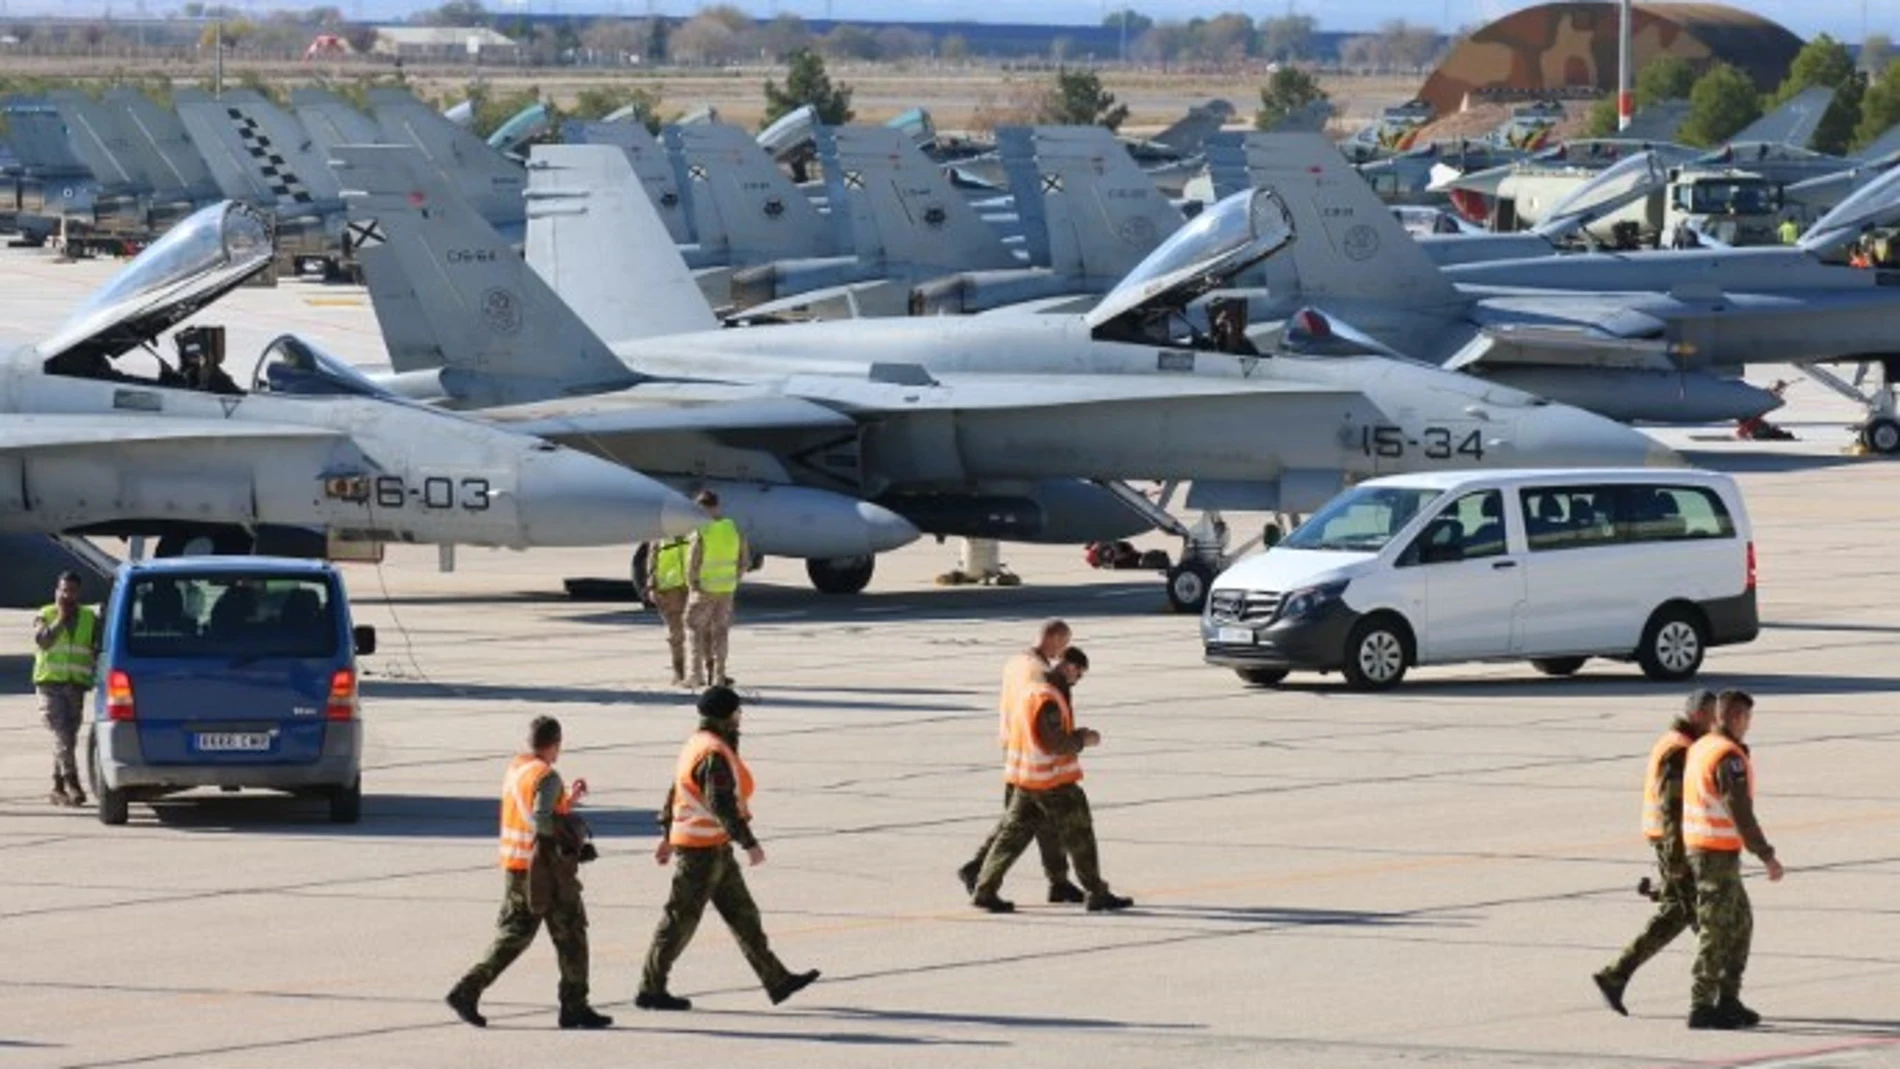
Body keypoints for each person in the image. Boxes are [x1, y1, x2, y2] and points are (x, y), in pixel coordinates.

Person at [637, 686, 820, 1011]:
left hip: (714, 847)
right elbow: (721, 803)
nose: (741, 717)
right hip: (700, 852)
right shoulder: (713, 754)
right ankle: (651, 987)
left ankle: (777, 980)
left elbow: (674, 793)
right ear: (725, 715)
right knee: (680, 920)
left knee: (744, 915)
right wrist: (748, 842)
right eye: (737, 712)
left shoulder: (700, 743)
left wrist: (666, 834)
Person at [446, 716, 611, 1031]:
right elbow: (540, 818)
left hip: (516, 867)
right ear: (555, 744)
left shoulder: (517, 768)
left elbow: (531, 807)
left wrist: (569, 800)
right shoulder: (547, 776)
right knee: (572, 934)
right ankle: (575, 1007)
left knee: (513, 937)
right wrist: (566, 835)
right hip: (545, 872)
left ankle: (468, 989)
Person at [970, 648, 1133, 914]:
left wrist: (1074, 733)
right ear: (1069, 667)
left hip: (1027, 778)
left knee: (1012, 836)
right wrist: (1083, 740)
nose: (1076, 681)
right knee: (1080, 833)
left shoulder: (1033, 690)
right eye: (1078, 675)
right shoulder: (1047, 698)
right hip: (1051, 781)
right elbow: (1053, 742)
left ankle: (985, 890)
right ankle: (1096, 891)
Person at [1592, 690, 1718, 1015]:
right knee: (1707, 921)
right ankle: (1716, 999)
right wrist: (1677, 859)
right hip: (1674, 843)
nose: (1716, 722)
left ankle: (1615, 975)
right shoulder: (1680, 749)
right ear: (1699, 715)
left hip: (1673, 842)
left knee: (1678, 914)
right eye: (1711, 715)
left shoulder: (1677, 741)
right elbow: (1672, 807)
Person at [959, 620, 1086, 904]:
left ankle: (1058, 881)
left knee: (1038, 821)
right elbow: (1044, 716)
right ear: (1053, 639)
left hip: (1013, 746)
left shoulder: (1016, 661)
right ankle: (979, 871)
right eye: (1064, 644)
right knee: (1021, 822)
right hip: (1032, 752)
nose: (1064, 652)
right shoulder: (1040, 674)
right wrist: (1075, 740)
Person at [1683, 690, 1783, 1030]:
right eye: (1748, 718)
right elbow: (1739, 809)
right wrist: (1766, 855)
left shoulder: (1702, 746)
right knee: (1717, 928)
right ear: (1737, 717)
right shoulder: (1728, 757)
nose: (1749, 725)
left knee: (1739, 924)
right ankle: (1701, 1004)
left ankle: (1728, 999)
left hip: (1710, 850)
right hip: (1714, 854)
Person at [33, 572, 99, 807]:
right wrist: (60, 620)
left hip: (76, 685)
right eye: (63, 590)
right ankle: (73, 782)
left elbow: (96, 648)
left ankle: (57, 786)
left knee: (67, 738)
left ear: (78, 593)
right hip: (50, 684)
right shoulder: (46, 614)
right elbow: (42, 641)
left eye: (71, 591)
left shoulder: (89, 618)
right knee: (62, 734)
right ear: (56, 591)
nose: (66, 595)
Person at [687, 490, 745, 687]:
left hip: (704, 588)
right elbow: (744, 559)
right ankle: (719, 676)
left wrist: (692, 584)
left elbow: (693, 561)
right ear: (717, 506)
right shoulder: (732, 528)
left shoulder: (702, 531)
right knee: (721, 632)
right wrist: (734, 578)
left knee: (695, 629)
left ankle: (696, 675)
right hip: (727, 589)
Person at [645, 535, 692, 686]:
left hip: (692, 585)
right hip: (669, 588)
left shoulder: (694, 531)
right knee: (675, 633)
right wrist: (652, 586)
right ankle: (679, 671)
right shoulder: (660, 535)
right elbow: (652, 560)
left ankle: (701, 672)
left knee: (700, 631)